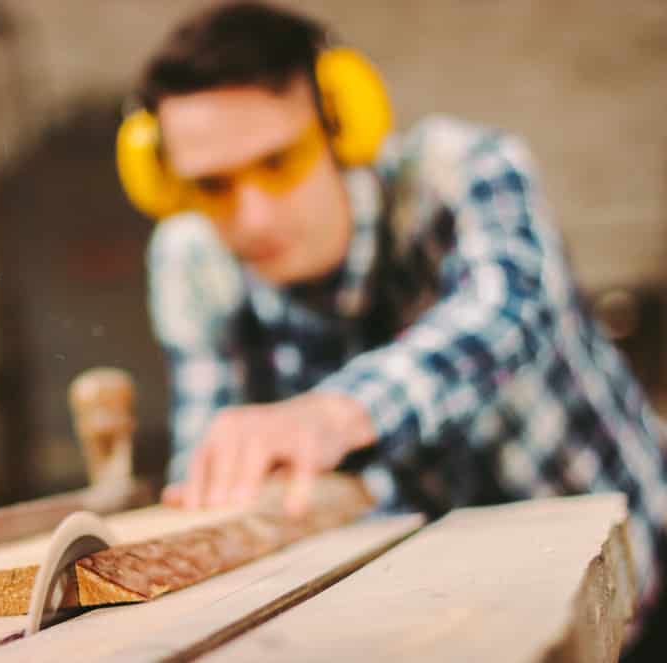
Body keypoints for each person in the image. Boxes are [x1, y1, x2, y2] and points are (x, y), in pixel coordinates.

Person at [114, 0, 667, 654]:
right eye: (213, 185)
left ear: (343, 122)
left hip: (639, 587)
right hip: (469, 620)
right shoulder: (195, 258)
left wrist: (334, 414)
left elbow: (507, 314)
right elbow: (215, 481)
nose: (253, 216)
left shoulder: (459, 169)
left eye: (278, 163)